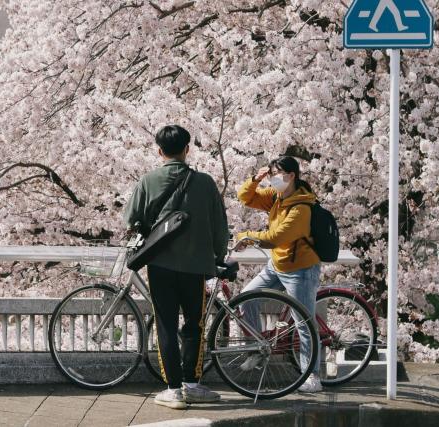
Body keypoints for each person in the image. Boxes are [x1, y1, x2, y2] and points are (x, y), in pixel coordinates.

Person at [123, 125, 229, 409]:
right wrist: (218, 257)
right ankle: (192, 384)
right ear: (187, 149)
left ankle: (173, 390)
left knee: (166, 325)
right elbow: (220, 228)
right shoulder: (205, 183)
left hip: (160, 264)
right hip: (196, 266)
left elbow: (130, 218)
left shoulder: (148, 180)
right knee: (194, 324)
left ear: (159, 150)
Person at [235, 155, 323, 393]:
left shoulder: (302, 207)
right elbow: (245, 197)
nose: (273, 179)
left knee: (304, 322)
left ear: (291, 175)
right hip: (277, 264)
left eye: (276, 174)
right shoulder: (275, 197)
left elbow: (275, 238)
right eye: (271, 174)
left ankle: (312, 375)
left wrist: (246, 236)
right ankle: (256, 349)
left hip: (300, 270)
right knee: (246, 297)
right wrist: (256, 178)